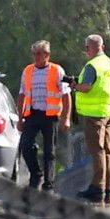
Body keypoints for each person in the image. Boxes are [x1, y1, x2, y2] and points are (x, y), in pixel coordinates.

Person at [17, 40, 72, 190]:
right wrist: (20, 118)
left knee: (49, 151)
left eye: (39, 54)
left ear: (47, 54)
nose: (36, 57)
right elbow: (22, 94)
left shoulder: (57, 70)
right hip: (32, 114)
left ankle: (49, 183)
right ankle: (36, 173)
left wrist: (66, 118)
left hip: (50, 116)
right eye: (34, 54)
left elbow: (66, 95)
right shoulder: (28, 71)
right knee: (25, 145)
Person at [73, 34, 110, 204]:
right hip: (109, 111)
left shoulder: (92, 65)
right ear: (103, 47)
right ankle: (107, 187)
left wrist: (75, 86)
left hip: (95, 115)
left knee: (97, 150)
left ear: (88, 48)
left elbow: (86, 87)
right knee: (107, 150)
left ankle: (97, 187)